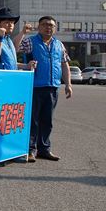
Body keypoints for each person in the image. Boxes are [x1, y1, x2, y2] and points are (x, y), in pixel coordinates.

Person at [19, 16, 73, 162]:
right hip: (35, 86)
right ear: (39, 27)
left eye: (51, 25)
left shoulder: (59, 44)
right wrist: (22, 33)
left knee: (47, 120)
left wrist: (68, 84)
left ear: (55, 28)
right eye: (44, 25)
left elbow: (64, 64)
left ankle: (44, 149)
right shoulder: (30, 41)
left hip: (53, 87)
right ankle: (30, 150)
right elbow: (13, 48)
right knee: (33, 120)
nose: (48, 27)